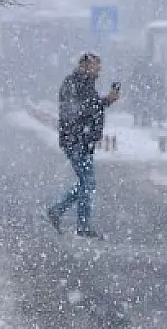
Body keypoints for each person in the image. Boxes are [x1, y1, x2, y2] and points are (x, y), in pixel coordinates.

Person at [47, 53, 119, 238]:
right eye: (96, 67)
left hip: (84, 141)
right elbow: (80, 110)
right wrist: (104, 102)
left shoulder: (85, 85)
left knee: (86, 182)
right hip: (76, 140)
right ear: (85, 66)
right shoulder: (73, 84)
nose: (98, 72)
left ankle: (58, 211)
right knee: (88, 183)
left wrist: (105, 103)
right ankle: (81, 224)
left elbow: (90, 108)